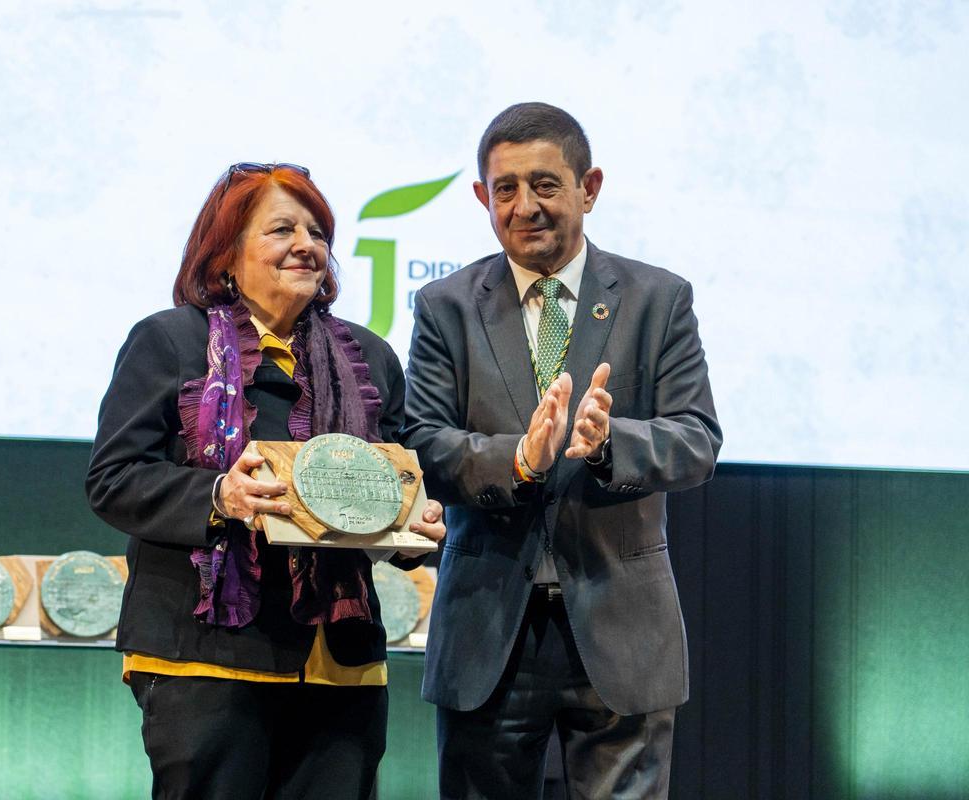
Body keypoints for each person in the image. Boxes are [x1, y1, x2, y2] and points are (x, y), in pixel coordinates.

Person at [86, 162, 445, 800]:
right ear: (226, 256)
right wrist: (218, 495)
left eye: (317, 231)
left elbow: (396, 492)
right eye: (282, 229)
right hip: (207, 654)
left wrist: (413, 528)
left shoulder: (368, 359)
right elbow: (115, 478)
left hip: (339, 662)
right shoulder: (169, 343)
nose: (307, 244)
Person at [401, 102, 722, 799]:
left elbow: (696, 439)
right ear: (483, 197)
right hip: (488, 631)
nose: (525, 206)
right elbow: (423, 442)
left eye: (545, 184)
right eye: (505, 189)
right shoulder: (445, 307)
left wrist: (611, 443)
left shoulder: (657, 299)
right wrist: (520, 460)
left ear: (589, 187)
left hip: (621, 627)